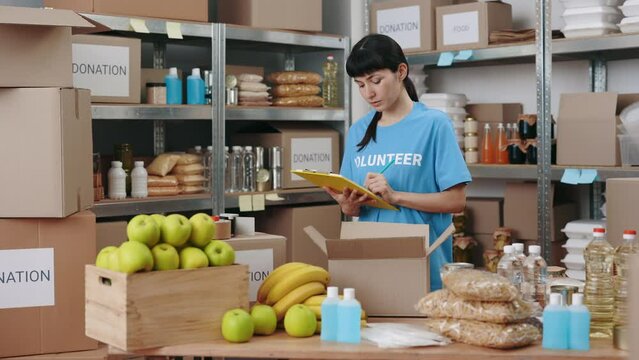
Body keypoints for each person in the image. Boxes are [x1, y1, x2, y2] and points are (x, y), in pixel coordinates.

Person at [324, 34, 472, 290]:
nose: (368, 93)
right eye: (360, 85)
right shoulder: (359, 132)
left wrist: (396, 196)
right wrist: (348, 206)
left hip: (425, 269)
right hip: (371, 265)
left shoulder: (434, 125)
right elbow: (356, 210)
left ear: (401, 71)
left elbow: (456, 201)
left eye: (376, 80)